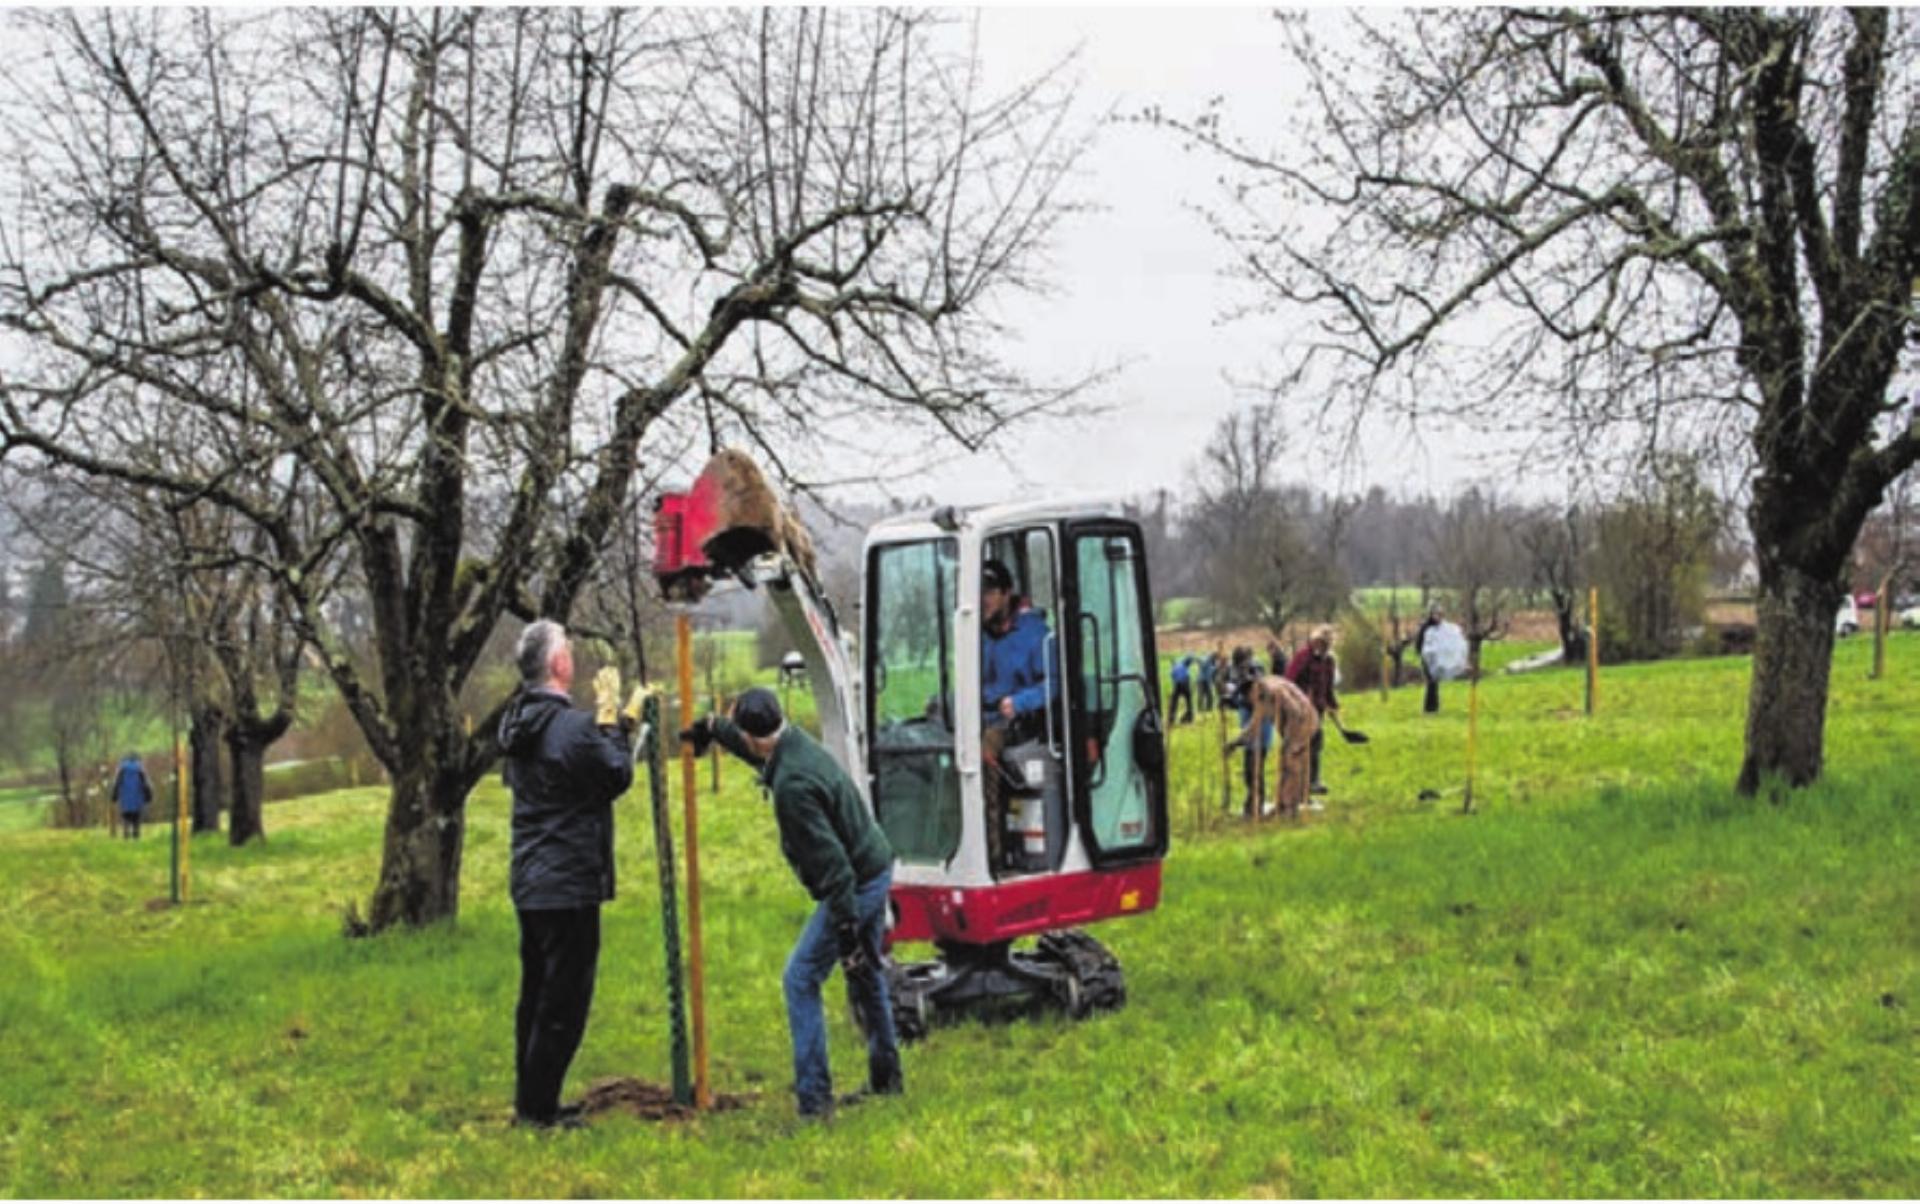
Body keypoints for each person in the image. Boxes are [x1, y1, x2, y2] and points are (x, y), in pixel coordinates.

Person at [685, 689, 901, 1119]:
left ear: (753, 735)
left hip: (856, 882)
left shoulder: (792, 787)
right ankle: (887, 1078)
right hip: (876, 864)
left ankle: (815, 1102)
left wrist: (845, 934)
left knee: (800, 978)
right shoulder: (793, 743)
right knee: (866, 973)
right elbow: (758, 752)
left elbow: (836, 870)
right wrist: (712, 728)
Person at [497, 619, 635, 1131]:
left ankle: (533, 1099)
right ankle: (538, 1112)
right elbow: (616, 773)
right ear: (558, 665)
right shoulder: (572, 727)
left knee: (535, 993)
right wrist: (613, 718)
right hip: (570, 881)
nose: (573, 659)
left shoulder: (516, 725)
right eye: (569, 652)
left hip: (531, 880)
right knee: (565, 1001)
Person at [979, 558, 1057, 872]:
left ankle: (990, 858)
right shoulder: (979, 635)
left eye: (990, 591)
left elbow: (1056, 684)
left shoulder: (1036, 634)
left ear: (1007, 593)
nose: (983, 598)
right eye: (979, 591)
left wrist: (1020, 702)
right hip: (985, 715)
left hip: (1022, 724)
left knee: (981, 755)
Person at [1225, 673, 1321, 819]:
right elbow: (1253, 726)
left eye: (1247, 697)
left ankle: (1289, 808)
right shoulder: (1262, 696)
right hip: (1294, 726)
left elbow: (1296, 711)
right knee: (1284, 762)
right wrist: (1236, 742)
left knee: (1291, 762)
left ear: (1252, 690)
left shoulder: (1274, 690)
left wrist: (1290, 739)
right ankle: (1282, 803)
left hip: (1304, 722)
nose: (1248, 701)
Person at [1284, 625, 1340, 805]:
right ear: (1315, 641)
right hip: (1299, 710)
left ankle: (1310, 785)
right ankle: (1299, 790)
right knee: (1302, 749)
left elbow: (1328, 687)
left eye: (1327, 644)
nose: (1323, 647)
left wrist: (1333, 705)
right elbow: (1289, 682)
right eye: (1321, 643)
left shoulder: (1329, 661)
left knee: (1316, 745)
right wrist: (1297, 703)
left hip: (1318, 709)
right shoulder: (1303, 657)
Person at [110, 751, 152, 839]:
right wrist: (148, 796)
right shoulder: (140, 769)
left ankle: (126, 835)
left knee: (126, 818)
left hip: (125, 799)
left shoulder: (122, 769)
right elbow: (146, 784)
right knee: (136, 818)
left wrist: (114, 796)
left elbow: (117, 783)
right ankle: (136, 835)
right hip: (137, 799)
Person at [1416, 605, 1445, 714]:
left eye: (1440, 615)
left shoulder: (1441, 628)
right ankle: (1428, 708)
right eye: (1436, 614)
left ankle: (1434, 707)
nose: (1438, 617)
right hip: (1427, 658)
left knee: (1435, 683)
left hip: (1437, 658)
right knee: (1431, 683)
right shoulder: (1425, 628)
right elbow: (1419, 644)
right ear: (1432, 615)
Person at [1168, 654, 1196, 725]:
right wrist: (1190, 689)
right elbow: (1187, 678)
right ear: (1188, 663)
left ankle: (1171, 719)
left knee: (1174, 702)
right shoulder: (1185, 668)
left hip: (1177, 685)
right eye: (1189, 664)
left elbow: (1172, 675)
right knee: (1189, 701)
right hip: (1184, 684)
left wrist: (1175, 683)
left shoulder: (1177, 666)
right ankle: (1190, 718)